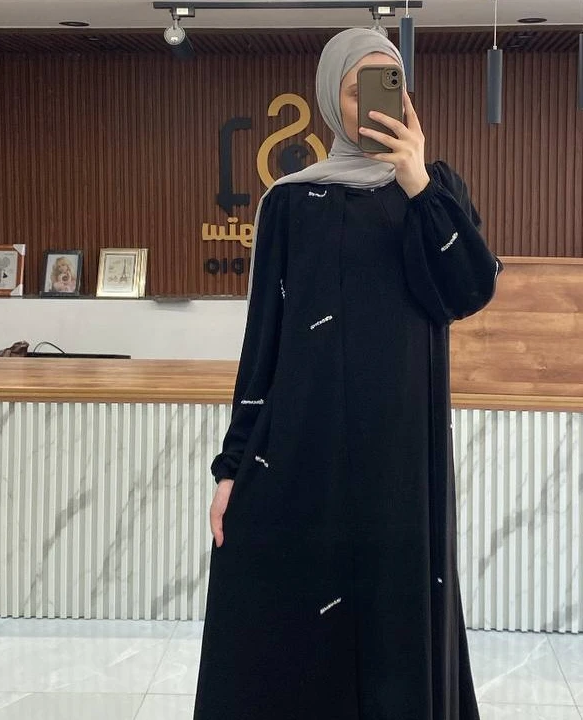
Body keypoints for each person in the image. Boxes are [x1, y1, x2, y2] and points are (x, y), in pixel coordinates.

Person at [194, 27, 502, 720]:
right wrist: (232, 467)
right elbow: (264, 343)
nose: (376, 103)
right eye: (358, 87)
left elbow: (469, 290)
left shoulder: (437, 192)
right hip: (305, 453)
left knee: (396, 634)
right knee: (300, 633)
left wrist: (417, 183)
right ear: (331, 101)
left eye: (390, 83)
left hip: (402, 463)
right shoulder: (290, 202)